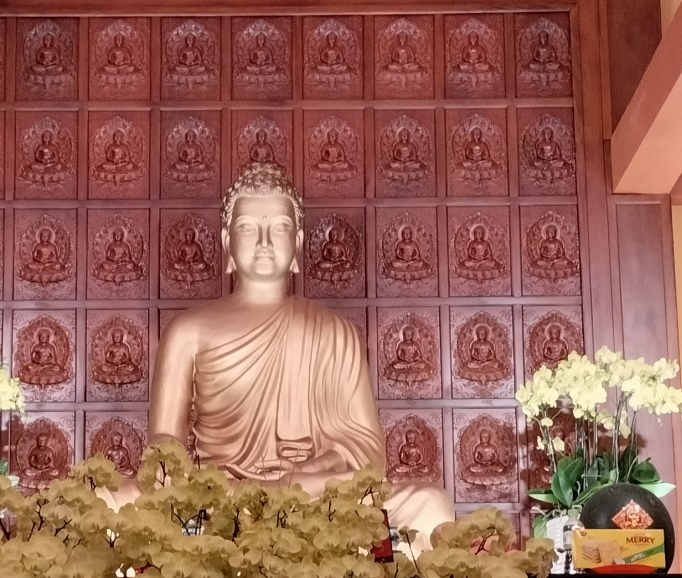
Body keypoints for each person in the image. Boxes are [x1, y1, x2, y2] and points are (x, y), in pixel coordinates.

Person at [143, 162, 455, 550]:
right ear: (226, 242)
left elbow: (367, 454)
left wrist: (297, 476)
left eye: (279, 228)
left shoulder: (334, 331)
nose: (264, 241)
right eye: (248, 228)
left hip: (312, 495)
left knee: (430, 505)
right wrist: (171, 472)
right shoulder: (188, 331)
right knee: (112, 501)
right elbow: (164, 440)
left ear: (298, 242)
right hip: (221, 497)